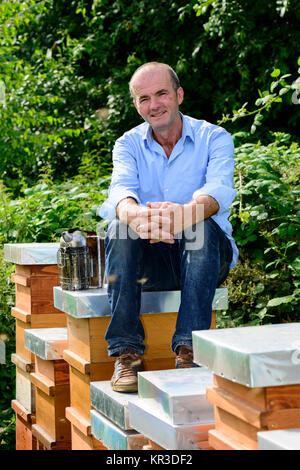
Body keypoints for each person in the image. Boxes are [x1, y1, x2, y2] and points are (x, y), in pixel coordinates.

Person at [99, 62, 238, 392]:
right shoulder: (127, 144)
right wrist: (136, 216)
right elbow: (120, 191)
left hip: (205, 259)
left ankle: (188, 353)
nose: (154, 105)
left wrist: (184, 215)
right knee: (119, 227)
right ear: (136, 105)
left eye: (161, 93)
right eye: (144, 98)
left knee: (199, 227)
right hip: (151, 264)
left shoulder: (214, 138)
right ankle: (126, 355)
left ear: (178, 95)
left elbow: (218, 191)